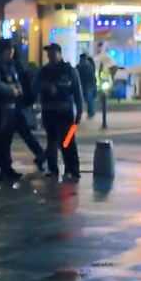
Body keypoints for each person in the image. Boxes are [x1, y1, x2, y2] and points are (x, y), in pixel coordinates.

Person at [34, 43, 84, 179]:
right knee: (52, 141)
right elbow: (35, 86)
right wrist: (47, 86)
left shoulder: (69, 70)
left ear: (59, 53)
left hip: (65, 112)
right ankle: (53, 169)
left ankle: (72, 169)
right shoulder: (44, 71)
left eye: (52, 52)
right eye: (48, 53)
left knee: (68, 141)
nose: (49, 55)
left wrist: (80, 110)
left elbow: (77, 91)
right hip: (49, 111)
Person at [0, 40, 23, 180]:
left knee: (6, 139)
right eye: (10, 49)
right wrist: (12, 90)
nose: (12, 52)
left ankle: (6, 167)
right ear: (4, 50)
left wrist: (18, 88)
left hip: (10, 107)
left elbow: (15, 81)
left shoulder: (10, 66)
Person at [11, 48, 47, 172]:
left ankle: (42, 155)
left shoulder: (14, 69)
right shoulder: (21, 68)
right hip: (20, 106)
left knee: (6, 136)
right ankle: (41, 155)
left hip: (15, 106)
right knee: (25, 135)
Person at [77, 53, 98, 118]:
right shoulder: (89, 66)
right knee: (90, 100)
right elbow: (93, 77)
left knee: (84, 100)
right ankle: (91, 113)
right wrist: (94, 85)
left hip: (83, 85)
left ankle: (87, 113)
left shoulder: (79, 66)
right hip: (88, 85)